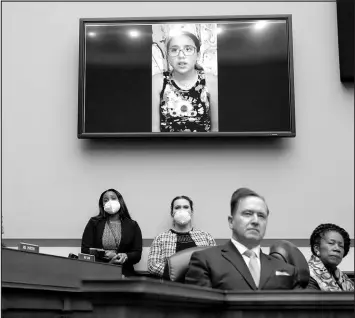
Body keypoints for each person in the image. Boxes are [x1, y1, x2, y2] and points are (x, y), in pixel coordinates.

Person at [185, 188, 300, 290]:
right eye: (248, 214)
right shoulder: (205, 260)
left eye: (261, 216)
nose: (255, 221)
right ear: (231, 222)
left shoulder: (287, 269)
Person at [152, 31, 218, 133]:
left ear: (198, 55)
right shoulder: (157, 82)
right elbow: (153, 130)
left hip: (203, 147)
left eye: (188, 49)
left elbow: (216, 129)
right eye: (174, 50)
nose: (181, 55)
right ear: (167, 56)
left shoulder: (211, 81)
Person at [147, 195, 216, 278]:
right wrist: (175, 273)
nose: (182, 210)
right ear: (172, 213)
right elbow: (152, 265)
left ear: (191, 211)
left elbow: (215, 262)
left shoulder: (206, 237)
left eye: (186, 207)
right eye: (177, 207)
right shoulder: (160, 238)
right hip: (172, 287)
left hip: (200, 285)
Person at [81, 188, 142, 277]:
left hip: (124, 272)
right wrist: (105, 255)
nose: (110, 202)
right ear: (102, 205)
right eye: (106, 200)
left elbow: (137, 254)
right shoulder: (94, 223)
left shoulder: (132, 225)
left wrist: (125, 256)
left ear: (120, 201)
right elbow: (85, 250)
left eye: (113, 198)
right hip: (98, 272)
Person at [307, 223, 354, 291]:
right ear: (317, 249)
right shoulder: (307, 276)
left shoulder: (343, 279)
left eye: (341, 246)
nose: (337, 249)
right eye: (331, 243)